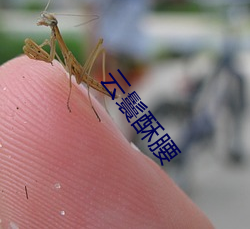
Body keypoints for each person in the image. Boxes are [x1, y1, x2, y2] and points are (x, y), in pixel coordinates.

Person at [0, 56, 214, 228]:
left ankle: (133, 145)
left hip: (114, 60)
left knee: (116, 106)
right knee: (120, 104)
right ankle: (134, 145)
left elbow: (94, 24)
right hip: (120, 60)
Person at [78, 0, 156, 85]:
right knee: (109, 97)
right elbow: (89, 7)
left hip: (136, 52)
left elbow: (147, 1)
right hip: (108, 52)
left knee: (133, 99)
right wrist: (91, 49)